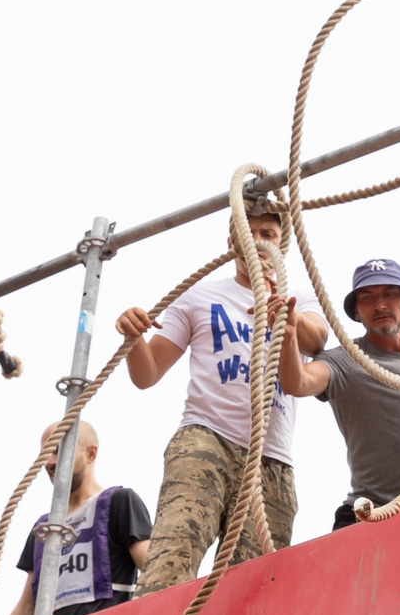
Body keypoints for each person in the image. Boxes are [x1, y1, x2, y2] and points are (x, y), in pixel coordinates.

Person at [115, 209, 327, 593]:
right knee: (172, 557)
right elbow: (147, 375)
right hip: (206, 439)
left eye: (269, 233)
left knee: (256, 588)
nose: (260, 241)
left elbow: (318, 341)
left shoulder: (302, 300)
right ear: (232, 245)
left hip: (272, 459)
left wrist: (286, 312)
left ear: (282, 244)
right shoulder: (200, 296)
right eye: (250, 234)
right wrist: (133, 338)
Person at [275, 258, 400, 529]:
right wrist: (289, 335)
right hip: (368, 513)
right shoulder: (342, 362)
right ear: (356, 312)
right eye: (367, 298)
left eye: (390, 294)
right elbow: (299, 383)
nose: (380, 305)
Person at [0, 420, 151, 615]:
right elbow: (27, 606)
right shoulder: (44, 528)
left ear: (91, 454)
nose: (50, 462)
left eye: (60, 451)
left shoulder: (118, 502)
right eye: (45, 454)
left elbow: (153, 570)